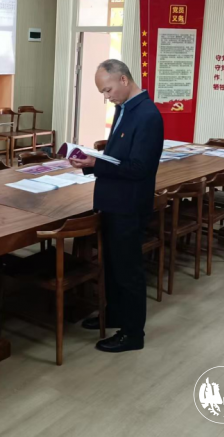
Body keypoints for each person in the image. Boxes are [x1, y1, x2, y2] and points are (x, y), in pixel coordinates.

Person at [70, 59, 163, 353]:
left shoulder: (147, 115)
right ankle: (114, 314)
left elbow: (139, 168)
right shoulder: (124, 108)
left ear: (124, 80)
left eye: (107, 90)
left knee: (128, 270)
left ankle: (132, 333)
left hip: (129, 205)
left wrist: (95, 164)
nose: (106, 96)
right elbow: (117, 158)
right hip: (112, 201)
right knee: (111, 265)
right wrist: (90, 163)